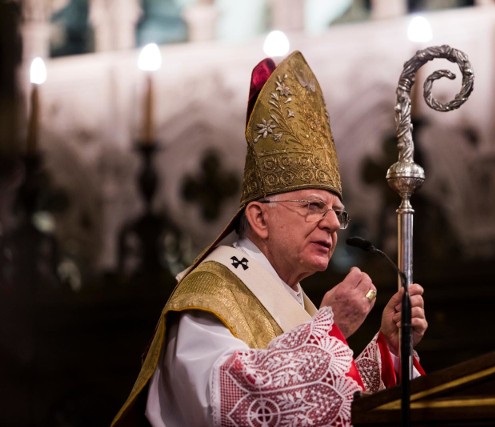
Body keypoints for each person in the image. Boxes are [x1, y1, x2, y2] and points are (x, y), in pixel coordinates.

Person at [111, 50, 427, 427]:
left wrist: (387, 349)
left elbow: (322, 409)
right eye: (313, 205)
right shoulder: (209, 297)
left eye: (337, 212)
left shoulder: (296, 302)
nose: (331, 223)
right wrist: (331, 329)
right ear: (259, 218)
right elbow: (230, 403)